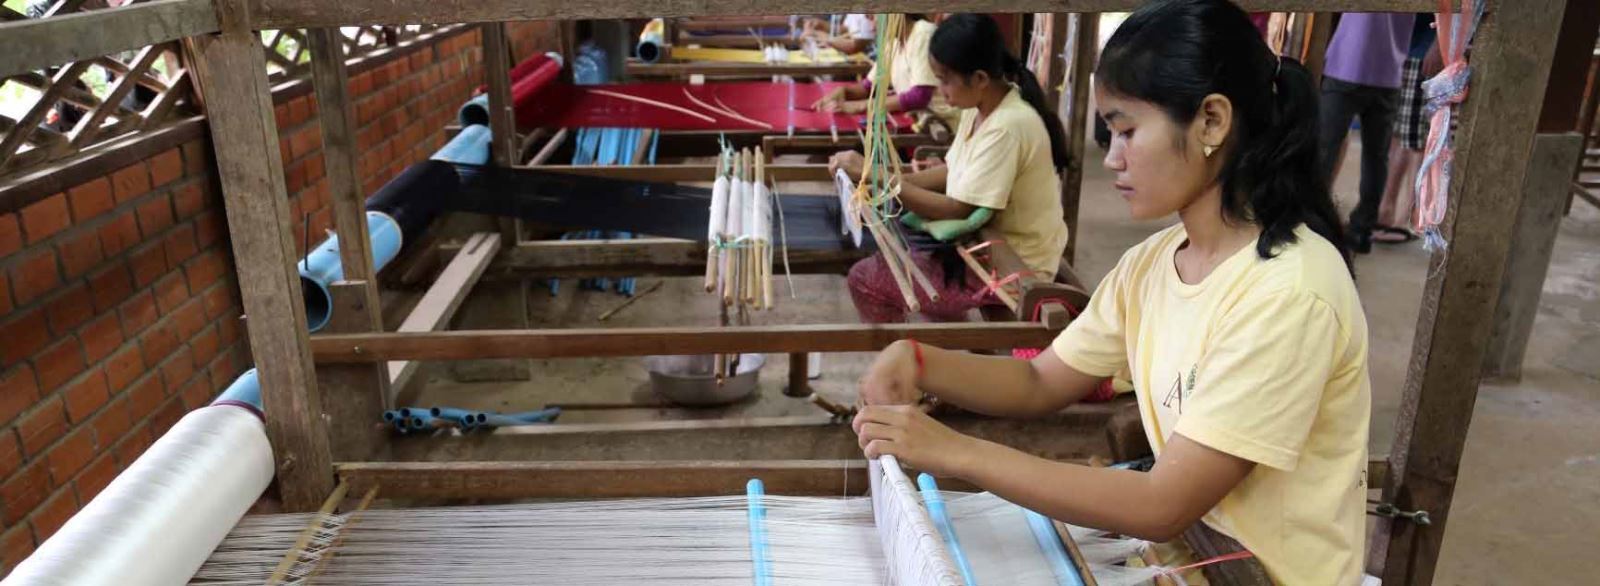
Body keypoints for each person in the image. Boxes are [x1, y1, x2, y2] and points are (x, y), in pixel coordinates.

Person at [851, 1, 1371, 583]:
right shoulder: (1152, 265)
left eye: (1127, 130)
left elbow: (1160, 504)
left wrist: (953, 451)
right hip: (1196, 557)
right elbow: (1041, 379)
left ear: (1212, 122)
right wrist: (917, 359)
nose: (1113, 158)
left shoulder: (1290, 292)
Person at [829, 13, 1069, 323]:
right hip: (987, 245)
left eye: (945, 79)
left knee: (866, 278)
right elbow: (950, 170)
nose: (940, 90)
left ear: (980, 79)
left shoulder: (1007, 127)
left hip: (1014, 262)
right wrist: (879, 179)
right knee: (899, 259)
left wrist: (881, 177)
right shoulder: (981, 108)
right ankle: (948, 358)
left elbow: (957, 210)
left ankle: (913, 362)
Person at [1317, 13, 1415, 253]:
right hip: (1389, 70)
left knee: (1324, 149)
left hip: (1347, 62)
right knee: (1376, 156)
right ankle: (1362, 229)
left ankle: (1311, 222)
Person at [812, 14, 957, 128]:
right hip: (915, 121)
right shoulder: (892, 42)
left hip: (941, 123)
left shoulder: (923, 33)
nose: (872, 25)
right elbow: (869, 87)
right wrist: (843, 91)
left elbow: (919, 96)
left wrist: (859, 106)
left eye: (873, 17)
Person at [1373, 15, 1437, 244]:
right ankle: (1388, 210)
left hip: (1422, 51)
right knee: (1398, 137)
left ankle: (1408, 216)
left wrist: (1437, 43)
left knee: (1415, 140)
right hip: (1403, 50)